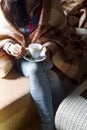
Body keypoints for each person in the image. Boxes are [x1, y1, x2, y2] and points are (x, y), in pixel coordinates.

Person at [0, 0, 66, 130]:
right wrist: (11, 47)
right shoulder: (4, 5)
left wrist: (49, 47)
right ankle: (53, 121)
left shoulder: (51, 4)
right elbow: (2, 34)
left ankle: (59, 119)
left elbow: (62, 32)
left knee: (44, 70)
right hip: (19, 58)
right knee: (37, 69)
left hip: (44, 55)